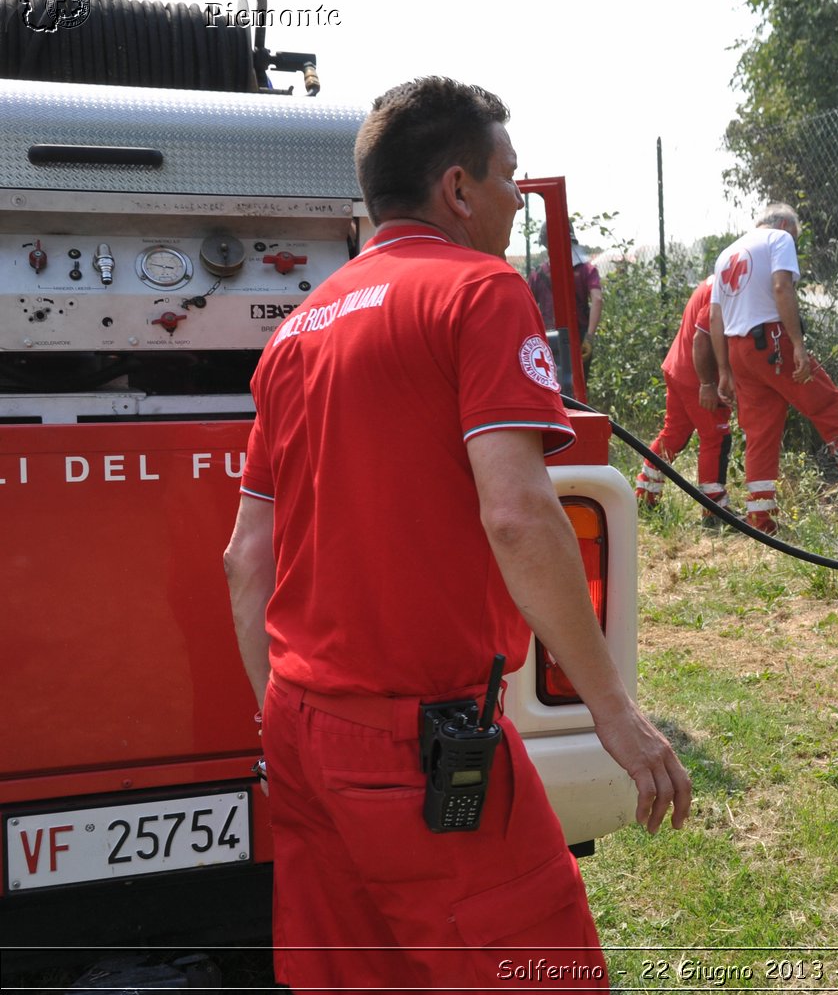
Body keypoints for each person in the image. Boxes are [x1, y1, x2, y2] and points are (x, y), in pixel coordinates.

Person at [222, 76, 692, 994]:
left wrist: (279, 727)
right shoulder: (479, 291)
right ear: (458, 189)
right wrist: (614, 709)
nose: (519, 200)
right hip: (418, 742)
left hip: (300, 727)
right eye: (509, 177)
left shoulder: (297, 333)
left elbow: (245, 560)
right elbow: (518, 513)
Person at [708, 203, 838, 534]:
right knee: (829, 406)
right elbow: (781, 287)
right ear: (781, 223)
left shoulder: (726, 254)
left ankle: (761, 519)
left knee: (760, 434)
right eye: (796, 235)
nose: (795, 242)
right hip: (773, 341)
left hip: (738, 350)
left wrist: (723, 370)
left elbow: (714, 317)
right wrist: (798, 345)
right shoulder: (778, 238)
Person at [635, 276, 734, 524]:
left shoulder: (718, 279)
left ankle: (645, 495)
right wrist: (707, 384)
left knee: (674, 434)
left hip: (678, 367)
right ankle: (714, 510)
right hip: (695, 375)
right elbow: (702, 337)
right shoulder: (726, 286)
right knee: (716, 436)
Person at [530, 218, 605, 359]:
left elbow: (527, 308)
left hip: (547, 340)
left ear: (545, 244)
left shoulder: (537, 275)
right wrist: (589, 338)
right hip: (578, 338)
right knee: (579, 380)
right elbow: (598, 299)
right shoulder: (587, 270)